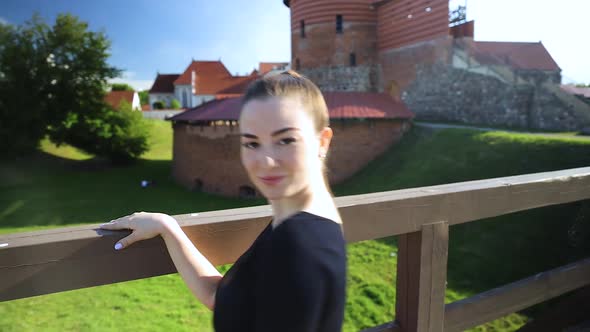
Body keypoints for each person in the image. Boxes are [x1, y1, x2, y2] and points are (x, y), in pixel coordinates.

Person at [99, 70, 347, 331]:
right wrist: (167, 227)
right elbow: (219, 297)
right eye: (252, 143)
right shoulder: (301, 223)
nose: (265, 161)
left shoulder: (297, 246)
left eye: (285, 140)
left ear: (322, 141)